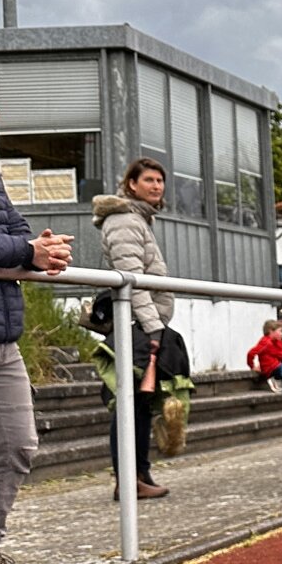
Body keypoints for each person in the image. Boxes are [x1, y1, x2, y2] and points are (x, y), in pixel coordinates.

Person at [0, 68, 69, 564]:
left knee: (16, 444)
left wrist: (38, 247)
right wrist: (26, 253)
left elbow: (8, 234)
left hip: (1, 329)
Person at [94, 158, 177, 499]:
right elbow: (133, 282)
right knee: (128, 402)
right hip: (136, 324)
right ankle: (127, 480)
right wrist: (154, 327)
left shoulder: (139, 220)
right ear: (131, 184)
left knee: (140, 403)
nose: (156, 186)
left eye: (160, 180)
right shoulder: (125, 221)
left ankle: (139, 475)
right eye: (148, 180)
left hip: (142, 322)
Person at [246, 319, 282, 390]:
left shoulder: (277, 342)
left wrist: (279, 343)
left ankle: (276, 380)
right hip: (269, 369)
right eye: (280, 331)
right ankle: (273, 379)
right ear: (271, 331)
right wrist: (252, 366)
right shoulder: (265, 342)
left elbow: (280, 356)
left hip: (276, 365)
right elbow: (251, 353)